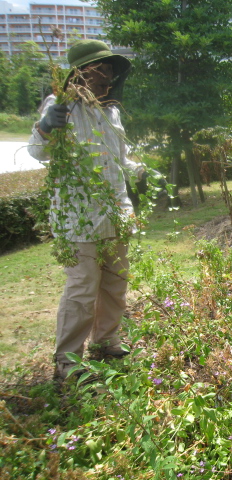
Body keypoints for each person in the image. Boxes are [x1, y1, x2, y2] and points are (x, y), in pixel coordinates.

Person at [28, 40, 145, 380]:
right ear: (82, 72)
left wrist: (140, 170)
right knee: (81, 289)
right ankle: (68, 362)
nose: (107, 75)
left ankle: (106, 341)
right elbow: (37, 151)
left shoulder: (111, 110)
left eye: (110, 70)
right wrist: (47, 126)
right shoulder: (60, 104)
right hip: (79, 217)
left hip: (117, 214)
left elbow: (121, 157)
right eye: (101, 68)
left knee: (115, 283)